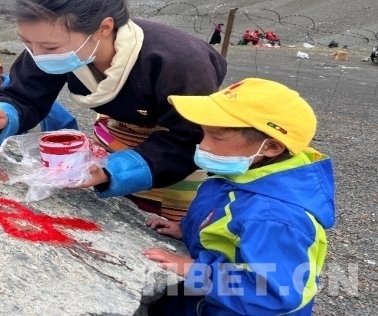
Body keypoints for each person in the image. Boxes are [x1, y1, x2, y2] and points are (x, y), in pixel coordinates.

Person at [0, 0, 227, 220]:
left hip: (178, 151)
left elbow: (190, 136)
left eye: (50, 47)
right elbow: (24, 94)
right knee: (121, 212)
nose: (37, 55)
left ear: (103, 28)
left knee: (164, 223)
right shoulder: (49, 44)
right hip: (116, 135)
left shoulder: (179, 63)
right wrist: (1, 113)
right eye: (26, 42)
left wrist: (115, 171)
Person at [143, 78, 334, 315]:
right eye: (204, 133)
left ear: (271, 147)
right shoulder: (242, 174)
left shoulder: (275, 217)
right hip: (203, 299)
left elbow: (273, 293)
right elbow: (226, 229)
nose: (203, 145)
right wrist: (186, 230)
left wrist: (198, 271)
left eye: (216, 137)